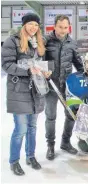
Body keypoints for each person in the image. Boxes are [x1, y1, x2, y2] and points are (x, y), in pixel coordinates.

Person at [1, 13, 52, 176]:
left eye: (36, 25)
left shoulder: (39, 42)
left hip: (36, 90)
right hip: (19, 90)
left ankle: (30, 156)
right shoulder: (12, 41)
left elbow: (42, 62)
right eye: (30, 24)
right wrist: (27, 70)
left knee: (32, 127)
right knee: (21, 129)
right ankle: (14, 161)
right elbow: (6, 65)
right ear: (24, 25)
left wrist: (46, 71)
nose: (33, 27)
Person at [44, 15, 83, 160]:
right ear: (54, 26)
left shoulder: (72, 43)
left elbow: (78, 64)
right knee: (51, 117)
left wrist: (85, 77)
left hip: (66, 86)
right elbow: (39, 59)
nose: (63, 30)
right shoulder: (46, 41)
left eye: (65, 27)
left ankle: (65, 142)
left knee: (71, 115)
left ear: (69, 27)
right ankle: (50, 146)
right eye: (60, 27)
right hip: (50, 85)